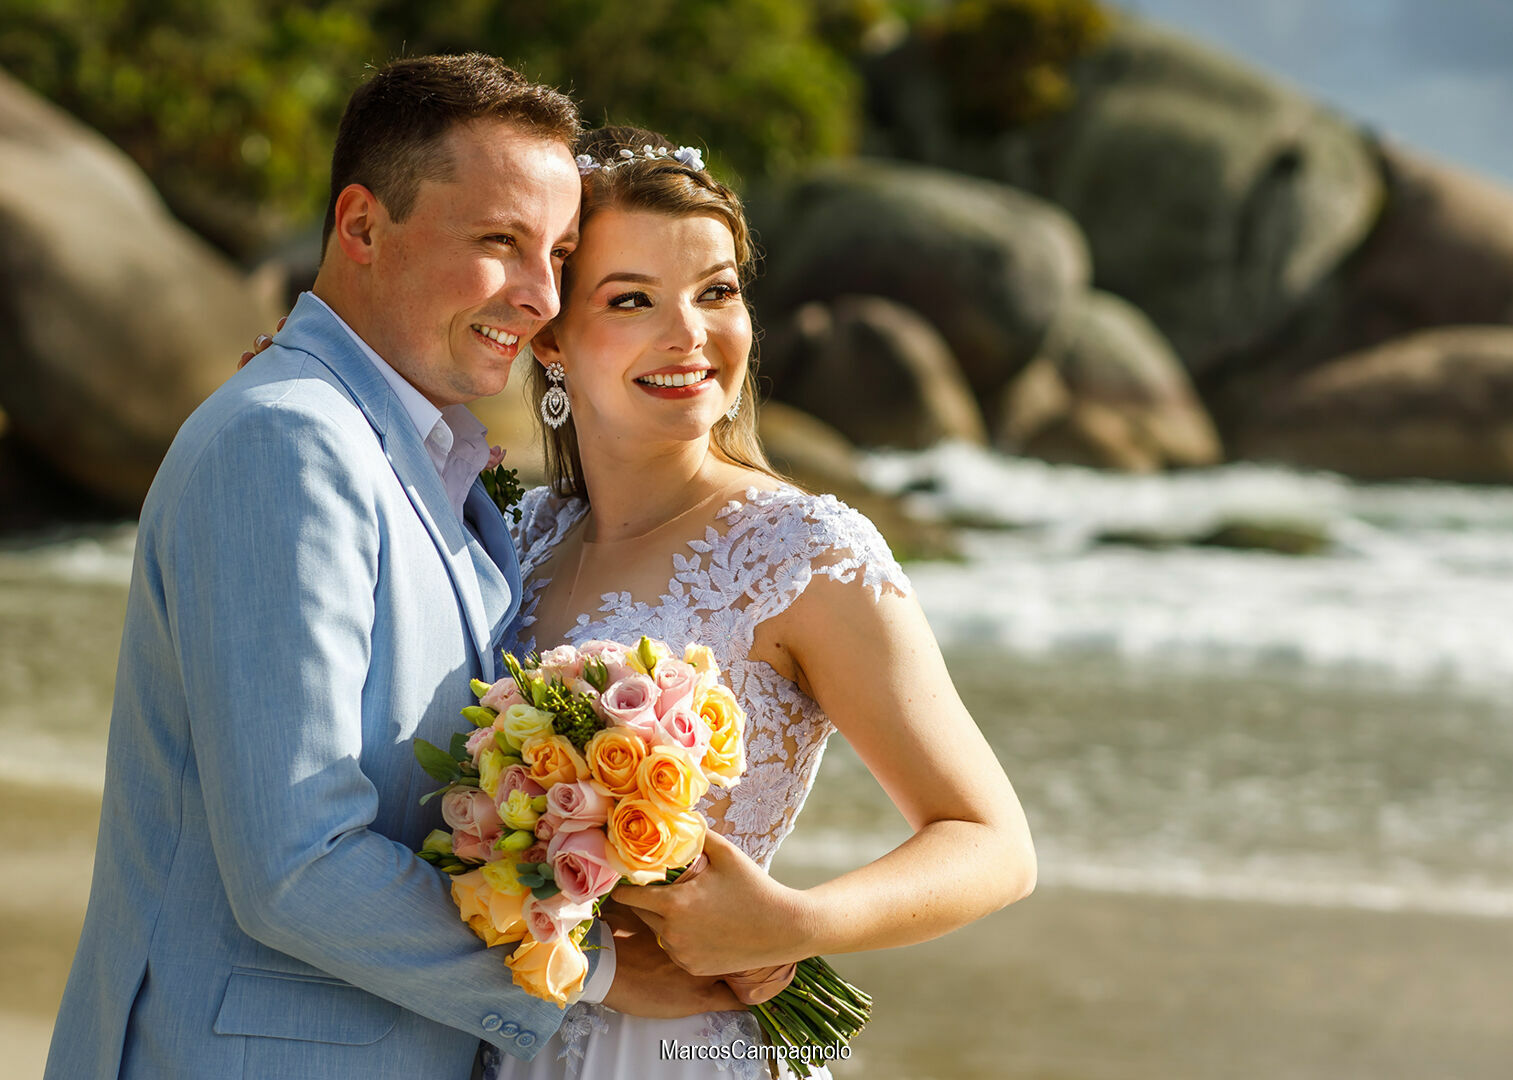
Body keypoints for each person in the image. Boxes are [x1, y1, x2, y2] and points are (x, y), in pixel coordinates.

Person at [46, 59, 736, 1080]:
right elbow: (298, 865)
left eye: (555, 254)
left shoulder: (414, 451)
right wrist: (588, 971)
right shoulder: (289, 442)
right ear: (362, 227)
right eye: (499, 242)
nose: (541, 298)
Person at [488, 125, 1038, 1079]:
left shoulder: (803, 554)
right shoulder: (512, 537)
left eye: (717, 291)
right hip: (513, 1027)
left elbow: (993, 843)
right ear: (549, 336)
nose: (689, 335)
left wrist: (793, 922)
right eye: (631, 300)